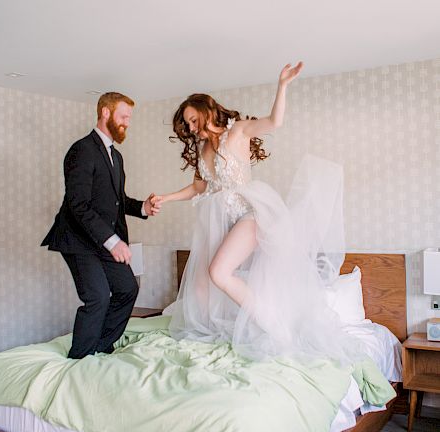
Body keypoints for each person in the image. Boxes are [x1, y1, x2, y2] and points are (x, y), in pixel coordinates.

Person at [156, 63, 356, 363]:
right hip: (220, 220)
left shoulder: (237, 131)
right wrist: (166, 198)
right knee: (200, 285)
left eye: (193, 119)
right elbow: (200, 187)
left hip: (249, 215)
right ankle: (218, 328)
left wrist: (282, 85)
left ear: (205, 110)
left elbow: (274, 122)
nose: (192, 127)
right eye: (188, 124)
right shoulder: (203, 150)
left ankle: (277, 328)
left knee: (218, 272)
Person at [42, 92, 161, 359]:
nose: (127, 122)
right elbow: (78, 204)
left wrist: (143, 207)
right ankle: (80, 359)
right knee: (97, 298)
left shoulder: (116, 157)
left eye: (129, 117)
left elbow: (118, 201)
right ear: (105, 113)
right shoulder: (81, 150)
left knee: (128, 289)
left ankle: (100, 347)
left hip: (104, 240)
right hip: (78, 238)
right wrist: (113, 241)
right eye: (123, 116)